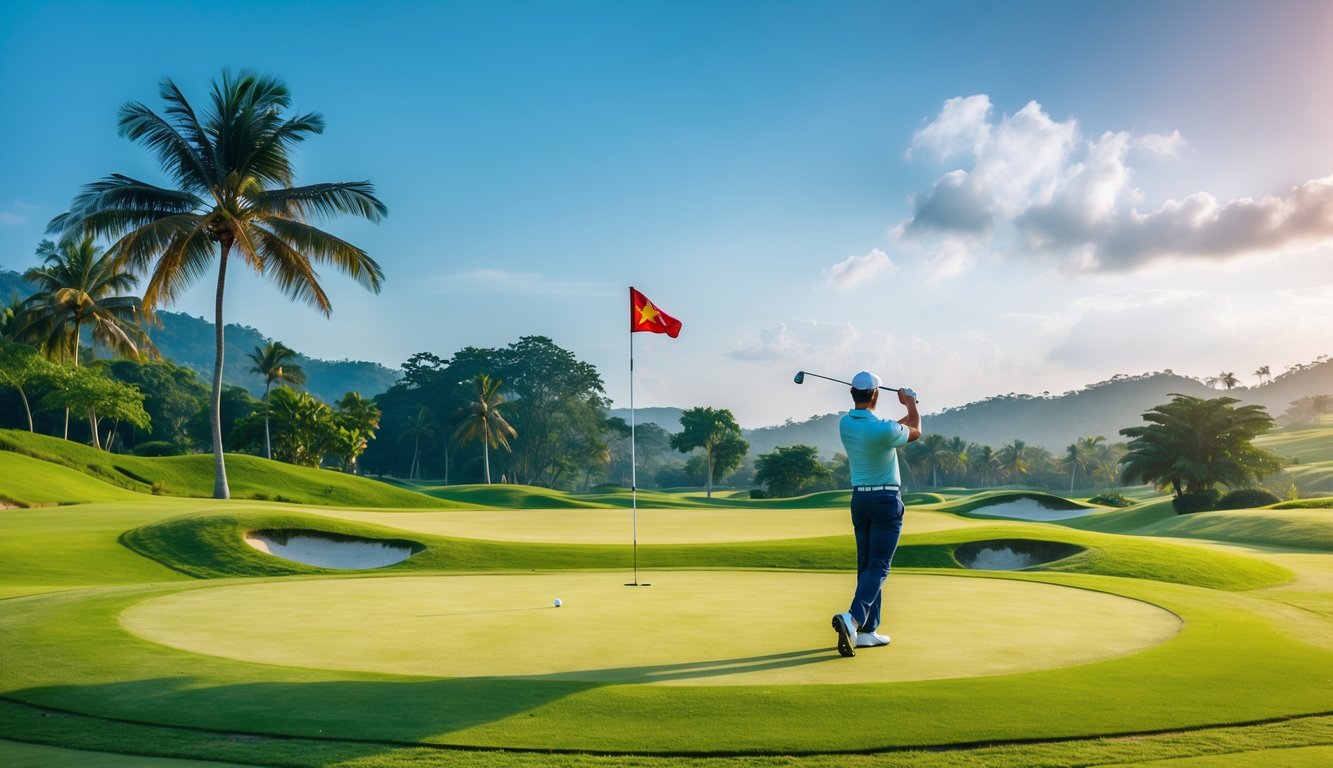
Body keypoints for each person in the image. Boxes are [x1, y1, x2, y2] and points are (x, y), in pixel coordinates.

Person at [831, 371, 920, 657]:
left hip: (860, 500)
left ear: (853, 394)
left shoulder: (846, 424)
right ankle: (854, 619)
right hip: (885, 500)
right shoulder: (883, 430)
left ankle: (868, 631)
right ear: (875, 395)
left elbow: (892, 429)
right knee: (879, 566)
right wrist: (911, 404)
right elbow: (915, 431)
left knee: (867, 565)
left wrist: (903, 415)